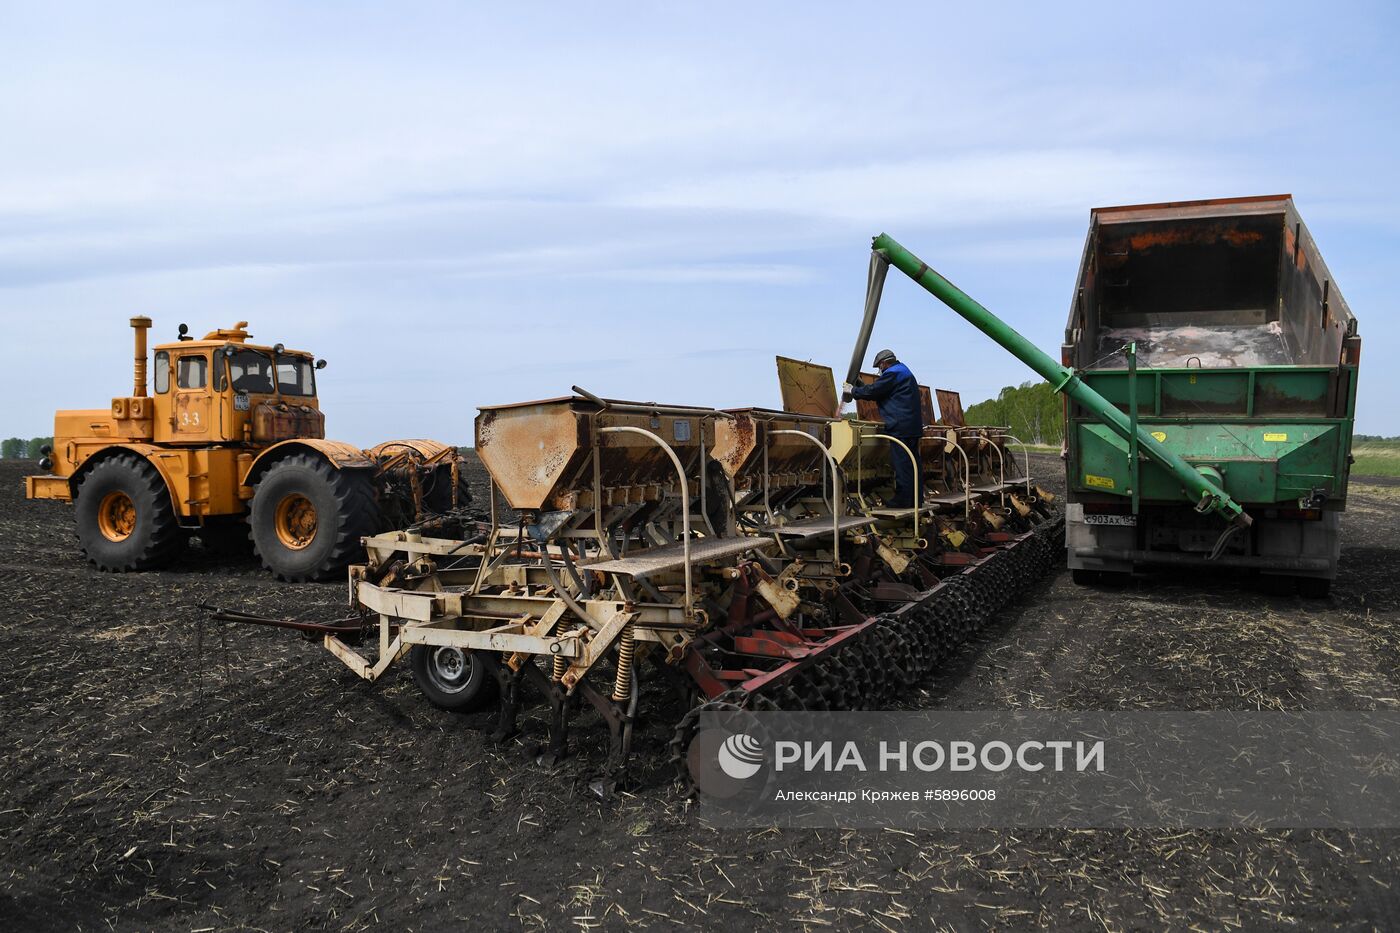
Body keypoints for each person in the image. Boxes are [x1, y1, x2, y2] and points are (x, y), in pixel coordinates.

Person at [843, 349, 922, 508]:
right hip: (911, 425)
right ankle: (916, 500)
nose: (880, 370)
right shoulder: (903, 371)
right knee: (913, 464)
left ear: (884, 363)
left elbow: (875, 391)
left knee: (902, 465)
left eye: (880, 367)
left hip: (900, 427)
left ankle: (904, 501)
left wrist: (852, 391)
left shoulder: (893, 373)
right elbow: (881, 392)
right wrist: (860, 386)